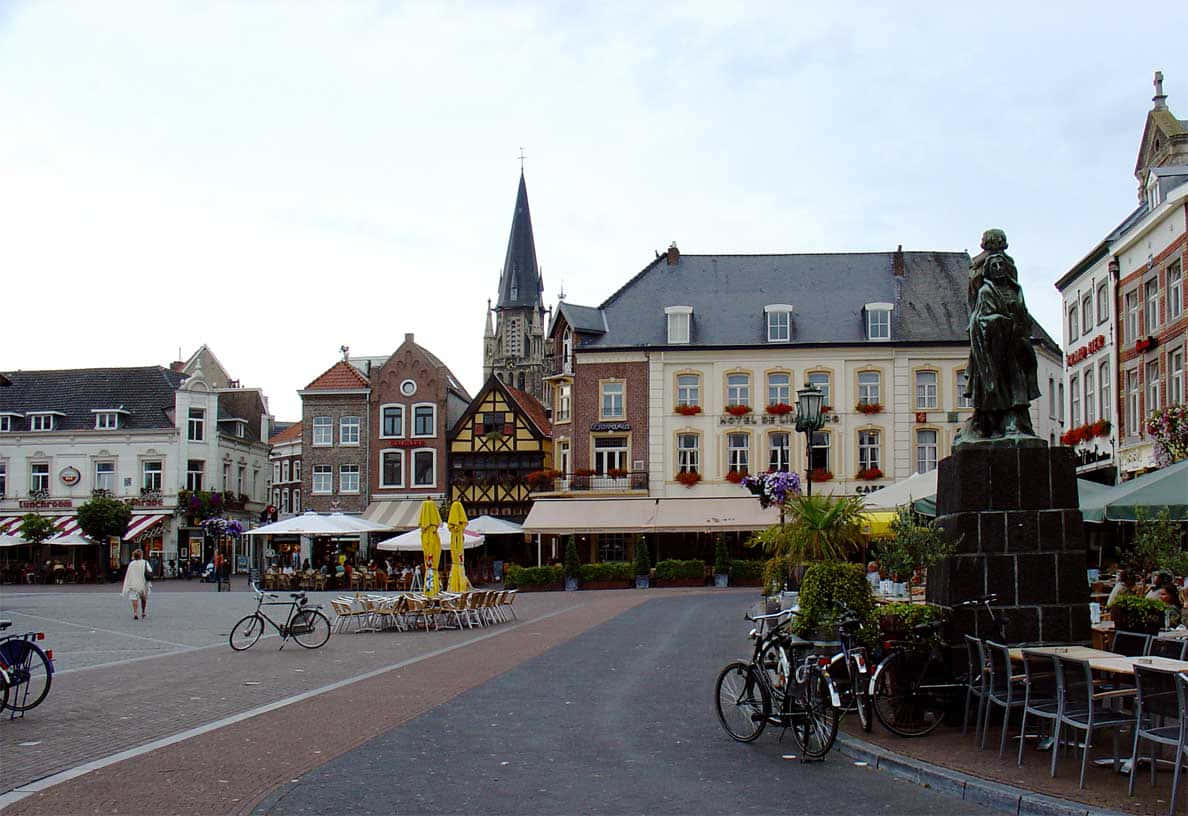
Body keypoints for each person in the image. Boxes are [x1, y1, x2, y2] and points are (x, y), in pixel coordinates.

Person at [122, 550, 152, 620]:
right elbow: (150, 570)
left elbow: (128, 574)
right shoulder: (145, 562)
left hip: (133, 583)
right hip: (143, 583)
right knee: (143, 598)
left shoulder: (131, 564)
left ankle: (135, 612)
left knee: (134, 599)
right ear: (141, 555)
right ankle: (143, 612)